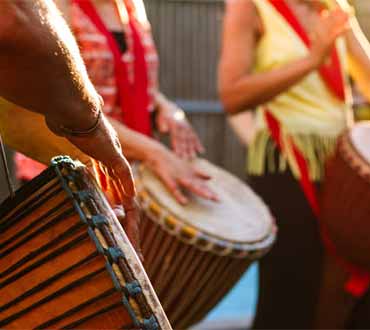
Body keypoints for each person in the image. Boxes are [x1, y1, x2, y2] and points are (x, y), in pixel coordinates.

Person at [218, 0, 370, 328]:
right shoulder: (249, 7)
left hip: (339, 167)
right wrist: (312, 60)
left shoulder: (333, 7)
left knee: (344, 296)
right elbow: (231, 95)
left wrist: (348, 25)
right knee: (291, 294)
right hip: (283, 163)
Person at [14, 0, 217, 207]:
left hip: (123, 173)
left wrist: (166, 107)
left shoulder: (132, 6)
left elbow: (132, 81)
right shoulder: (56, 5)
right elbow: (64, 103)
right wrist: (155, 152)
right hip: (68, 176)